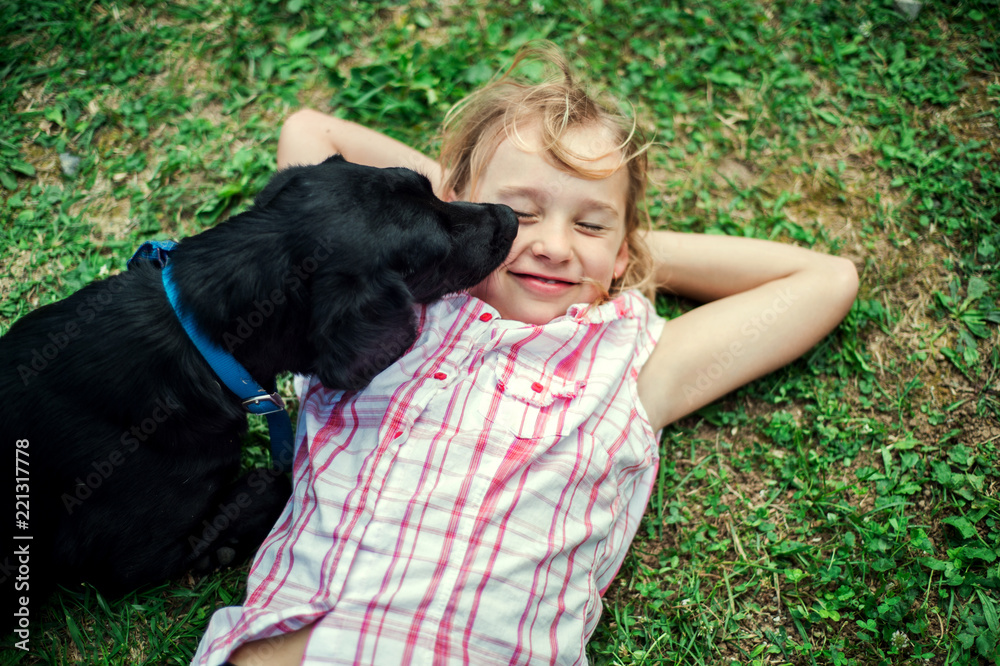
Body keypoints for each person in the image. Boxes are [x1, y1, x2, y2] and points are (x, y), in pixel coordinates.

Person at [193, 42, 858, 665]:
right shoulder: (370, 300)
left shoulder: (628, 363)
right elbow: (315, 135)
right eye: (522, 214)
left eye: (590, 225)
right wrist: (454, 218)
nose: (555, 247)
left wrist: (628, 254)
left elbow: (823, 281)